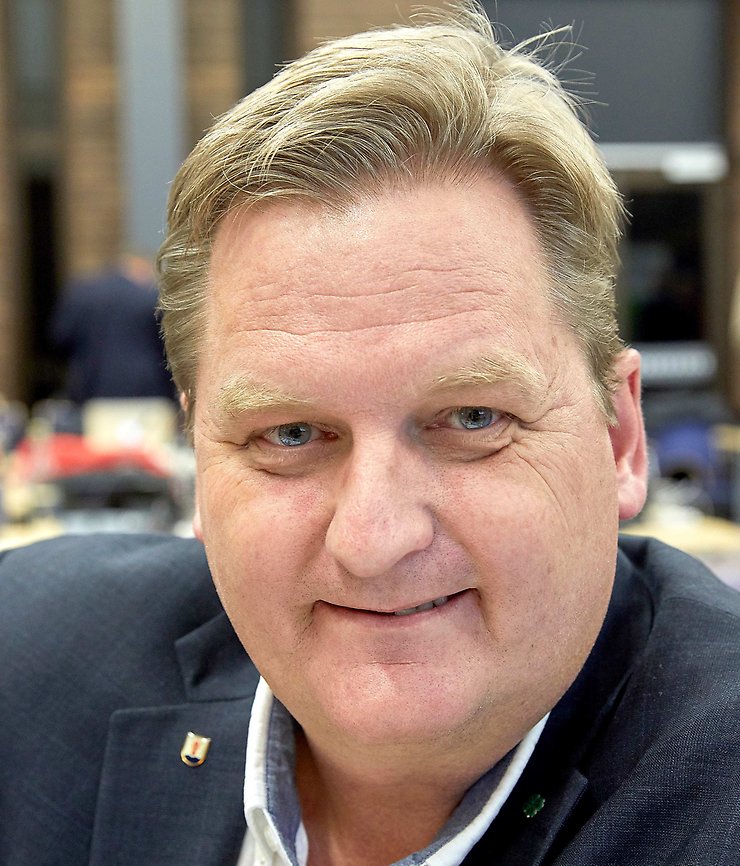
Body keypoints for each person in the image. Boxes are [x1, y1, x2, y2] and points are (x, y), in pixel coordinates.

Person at [1, 3, 739, 864]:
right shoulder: (31, 660)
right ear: (199, 461)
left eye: (473, 420)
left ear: (620, 441)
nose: (373, 539)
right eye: (290, 434)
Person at [50, 251, 175, 403]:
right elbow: (169, 345)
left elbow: (60, 338)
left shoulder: (81, 293)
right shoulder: (151, 298)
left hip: (92, 389)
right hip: (147, 391)